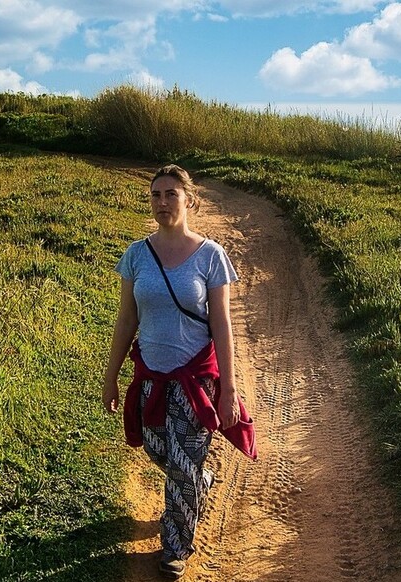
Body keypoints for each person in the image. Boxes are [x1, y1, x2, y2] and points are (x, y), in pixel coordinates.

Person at [103, 164, 256, 579]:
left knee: (182, 466)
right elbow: (126, 318)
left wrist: (228, 391)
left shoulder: (211, 256)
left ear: (189, 200)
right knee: (159, 450)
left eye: (171, 194)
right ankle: (198, 478)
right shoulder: (136, 255)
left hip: (195, 381)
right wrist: (111, 374)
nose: (163, 201)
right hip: (151, 377)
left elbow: (222, 325)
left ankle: (175, 545)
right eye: (156, 194)